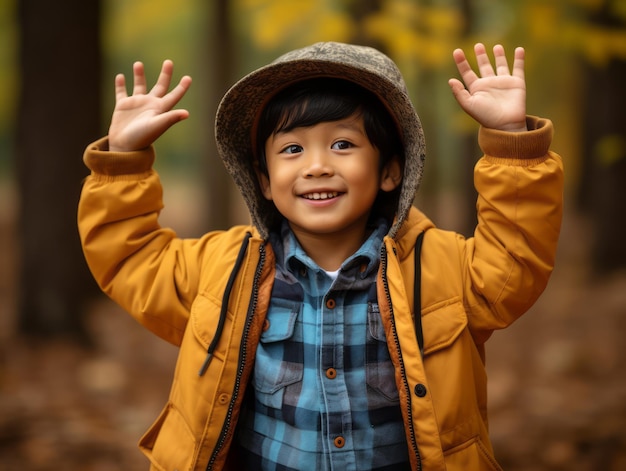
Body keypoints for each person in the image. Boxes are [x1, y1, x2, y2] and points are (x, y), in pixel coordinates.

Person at [78, 41, 563, 471]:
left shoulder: (438, 269)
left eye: (342, 144)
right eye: (291, 148)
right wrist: (122, 158)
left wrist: (511, 146)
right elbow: (132, 258)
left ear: (390, 171)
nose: (316, 166)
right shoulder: (222, 270)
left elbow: (514, 262)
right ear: (264, 182)